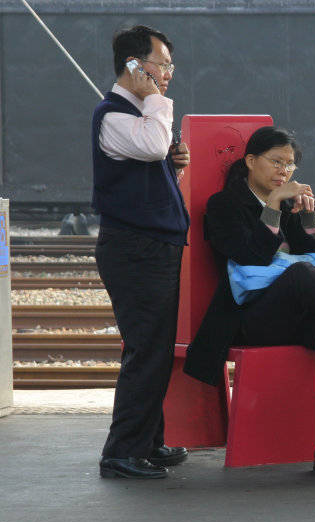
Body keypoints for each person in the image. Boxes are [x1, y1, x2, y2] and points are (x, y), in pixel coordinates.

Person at [183, 127, 315, 387]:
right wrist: (272, 206)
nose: (283, 170)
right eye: (276, 162)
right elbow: (252, 256)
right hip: (249, 319)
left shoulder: (286, 203)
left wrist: (308, 216)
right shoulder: (223, 205)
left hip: (294, 316)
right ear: (250, 161)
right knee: (300, 272)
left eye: (290, 164)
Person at [91, 25, 191, 480]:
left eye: (170, 66)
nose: (168, 74)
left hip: (154, 247)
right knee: (146, 350)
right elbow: (151, 145)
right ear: (134, 64)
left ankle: (147, 441)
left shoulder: (139, 118)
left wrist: (175, 171)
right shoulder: (113, 116)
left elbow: (151, 172)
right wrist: (156, 101)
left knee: (154, 349)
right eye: (162, 64)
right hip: (135, 250)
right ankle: (122, 452)